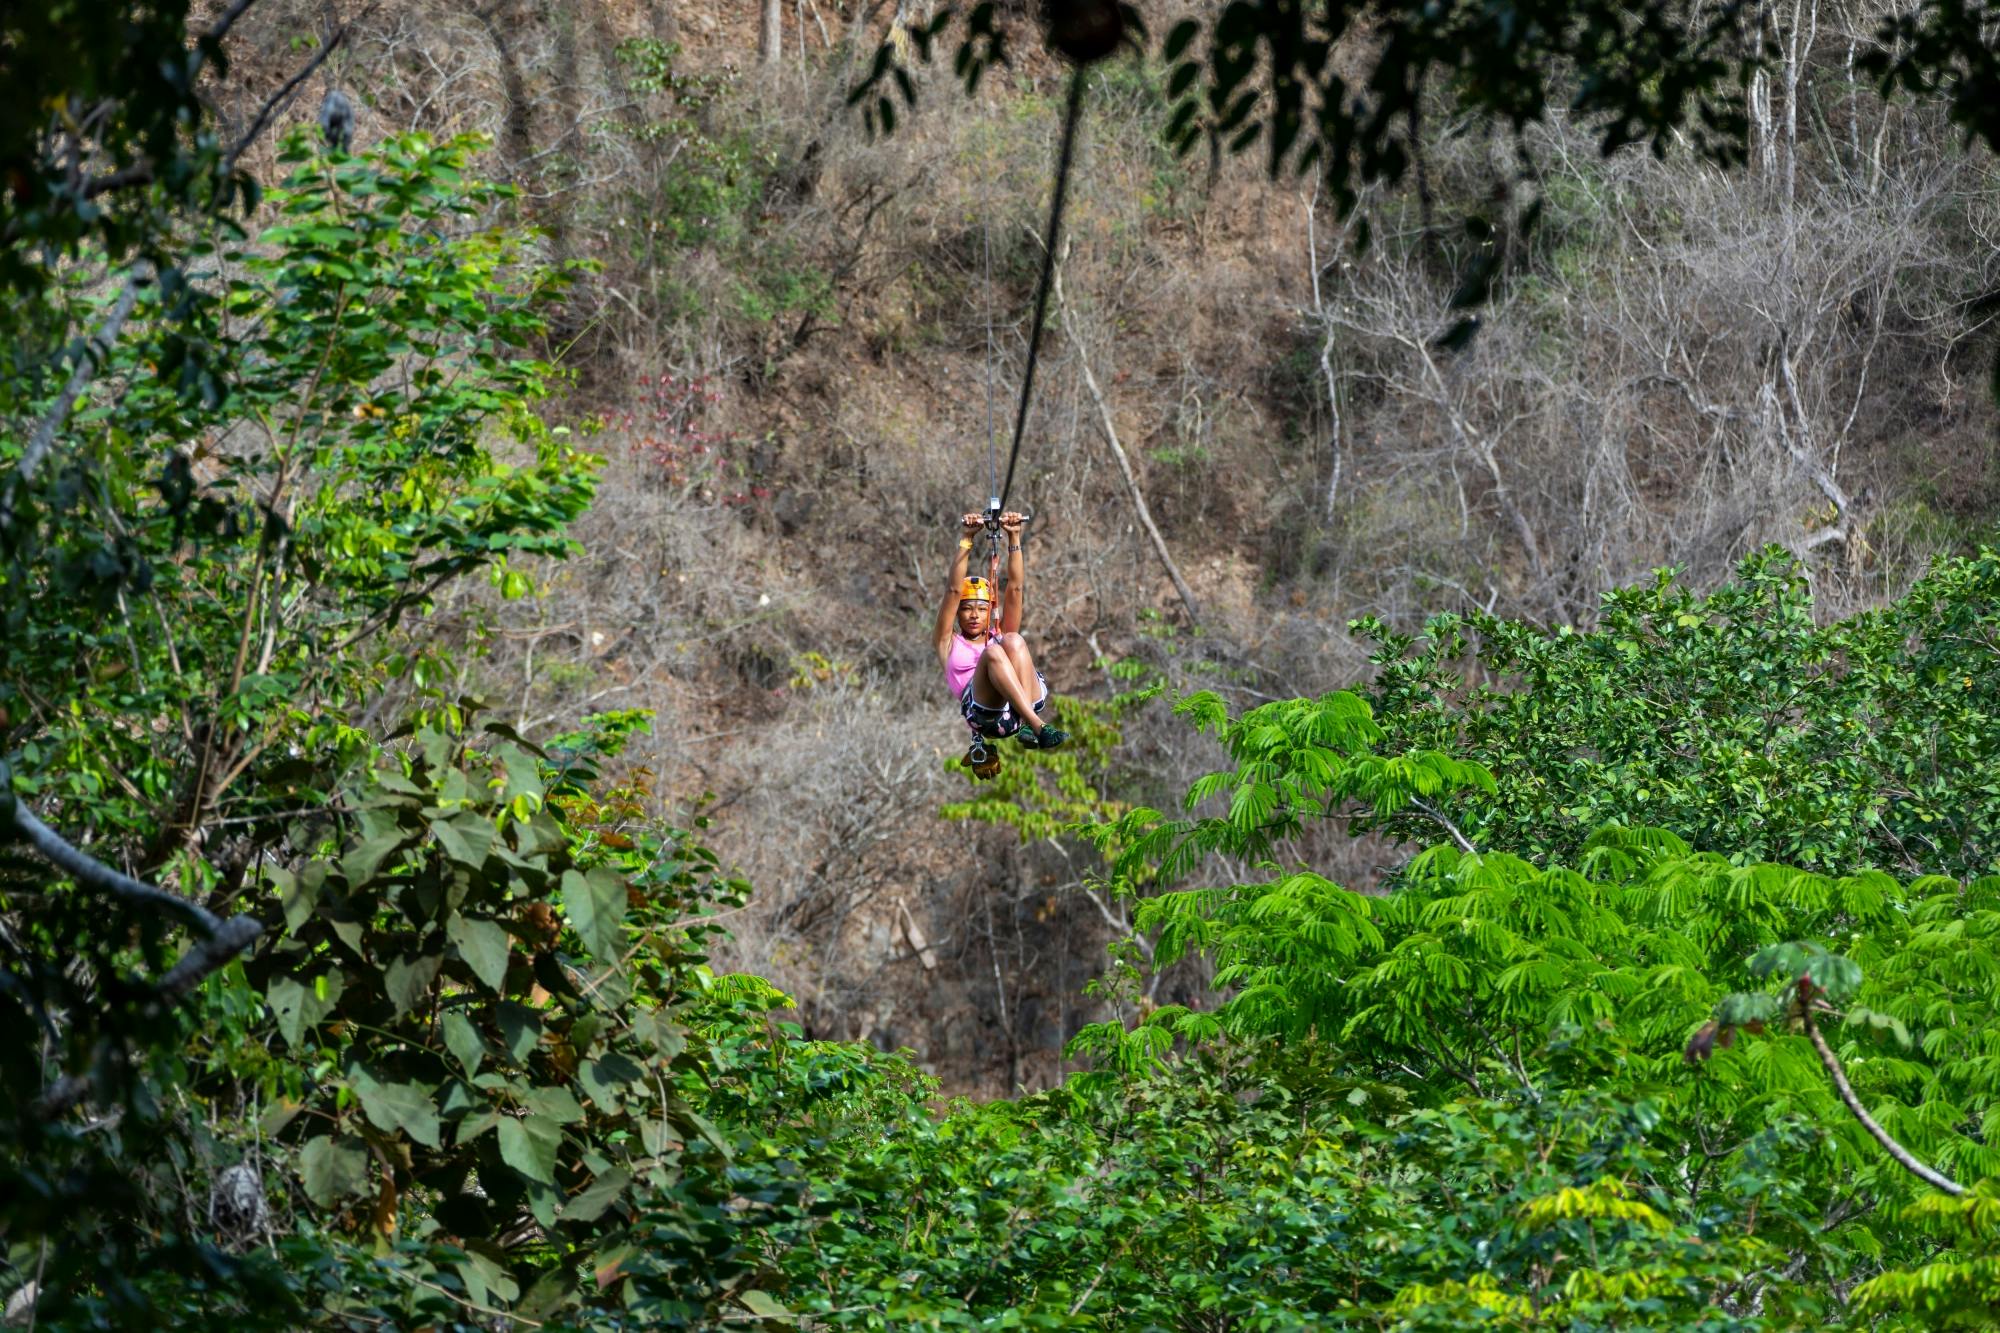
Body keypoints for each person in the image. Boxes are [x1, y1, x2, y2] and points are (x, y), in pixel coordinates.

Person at [934, 510, 1066, 754]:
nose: (974, 615)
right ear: (958, 614)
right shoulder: (947, 642)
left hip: (1021, 705)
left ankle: (1030, 723)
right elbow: (953, 591)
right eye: (967, 609)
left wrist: (1014, 537)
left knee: (1013, 640)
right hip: (986, 714)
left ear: (990, 611)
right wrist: (966, 539)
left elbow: (1015, 588)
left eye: (981, 609)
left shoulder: (999, 633)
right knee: (993, 653)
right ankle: (1037, 726)